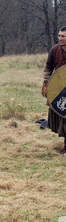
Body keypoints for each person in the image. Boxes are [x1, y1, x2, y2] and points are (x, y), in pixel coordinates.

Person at [42, 26, 66, 154]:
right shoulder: (54, 50)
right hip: (58, 88)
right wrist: (47, 82)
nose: (60, 38)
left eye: (63, 36)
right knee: (61, 115)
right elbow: (48, 67)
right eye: (59, 35)